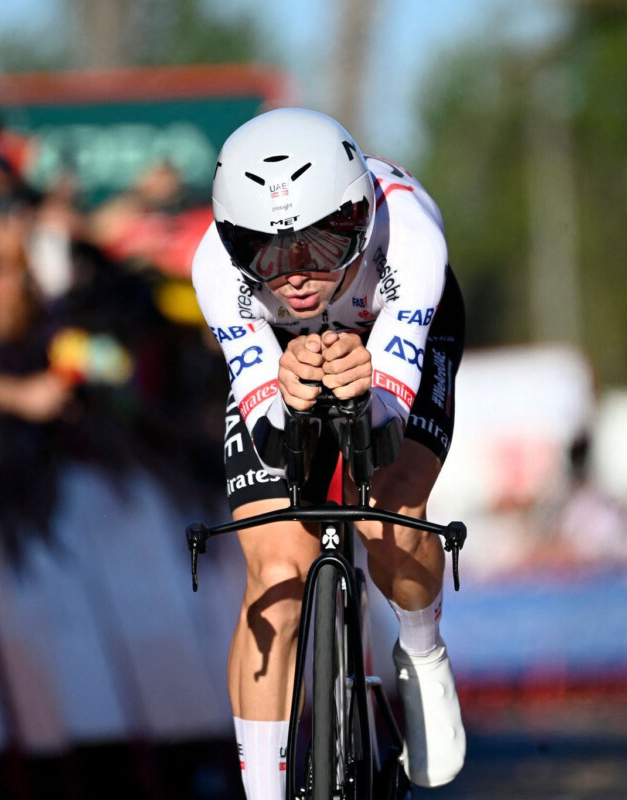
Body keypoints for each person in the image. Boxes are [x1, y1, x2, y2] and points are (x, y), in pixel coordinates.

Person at [191, 107, 466, 798]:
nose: (296, 276)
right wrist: (285, 397)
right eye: (265, 250)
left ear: (361, 215)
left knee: (388, 513)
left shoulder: (411, 239)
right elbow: (269, 432)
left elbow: (387, 424)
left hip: (392, 334)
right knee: (278, 574)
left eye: (321, 243)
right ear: (231, 241)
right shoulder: (216, 272)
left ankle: (421, 646)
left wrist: (362, 383)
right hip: (284, 358)